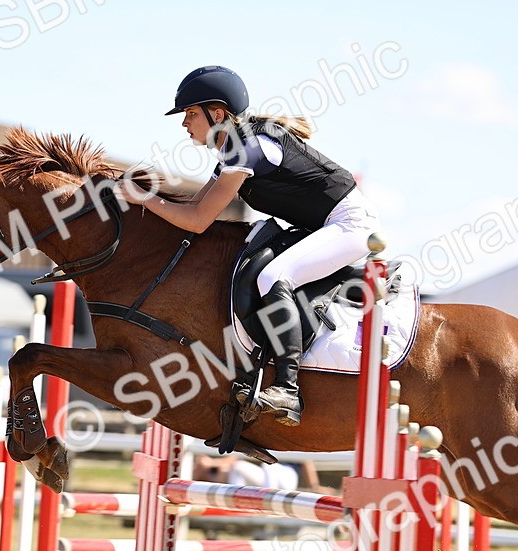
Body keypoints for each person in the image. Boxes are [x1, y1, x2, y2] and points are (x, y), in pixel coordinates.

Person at [116, 65, 380, 427]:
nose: (184, 123)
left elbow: (197, 221)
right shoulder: (232, 151)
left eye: (191, 113)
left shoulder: (248, 149)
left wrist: (145, 200)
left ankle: (288, 388)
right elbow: (195, 208)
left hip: (350, 226)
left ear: (218, 114)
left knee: (274, 276)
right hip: (321, 225)